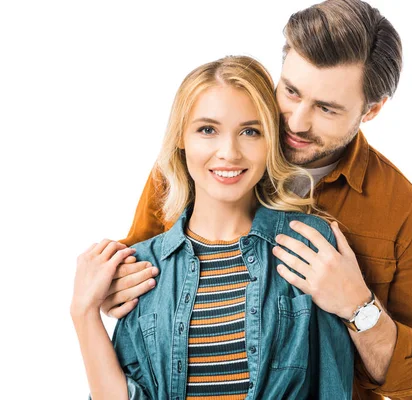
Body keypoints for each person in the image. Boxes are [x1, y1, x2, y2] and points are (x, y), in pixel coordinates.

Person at [104, 0, 412, 399]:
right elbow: (139, 277)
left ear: (371, 110)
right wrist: (115, 290)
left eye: (326, 108)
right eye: (290, 91)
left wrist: (358, 307)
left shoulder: (401, 210)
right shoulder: (199, 164)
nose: (297, 121)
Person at [71, 56, 354, 400]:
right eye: (208, 130)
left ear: (271, 142)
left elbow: (333, 387)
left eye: (250, 131)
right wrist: (83, 313)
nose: (229, 152)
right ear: (181, 138)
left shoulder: (308, 245)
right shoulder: (142, 267)